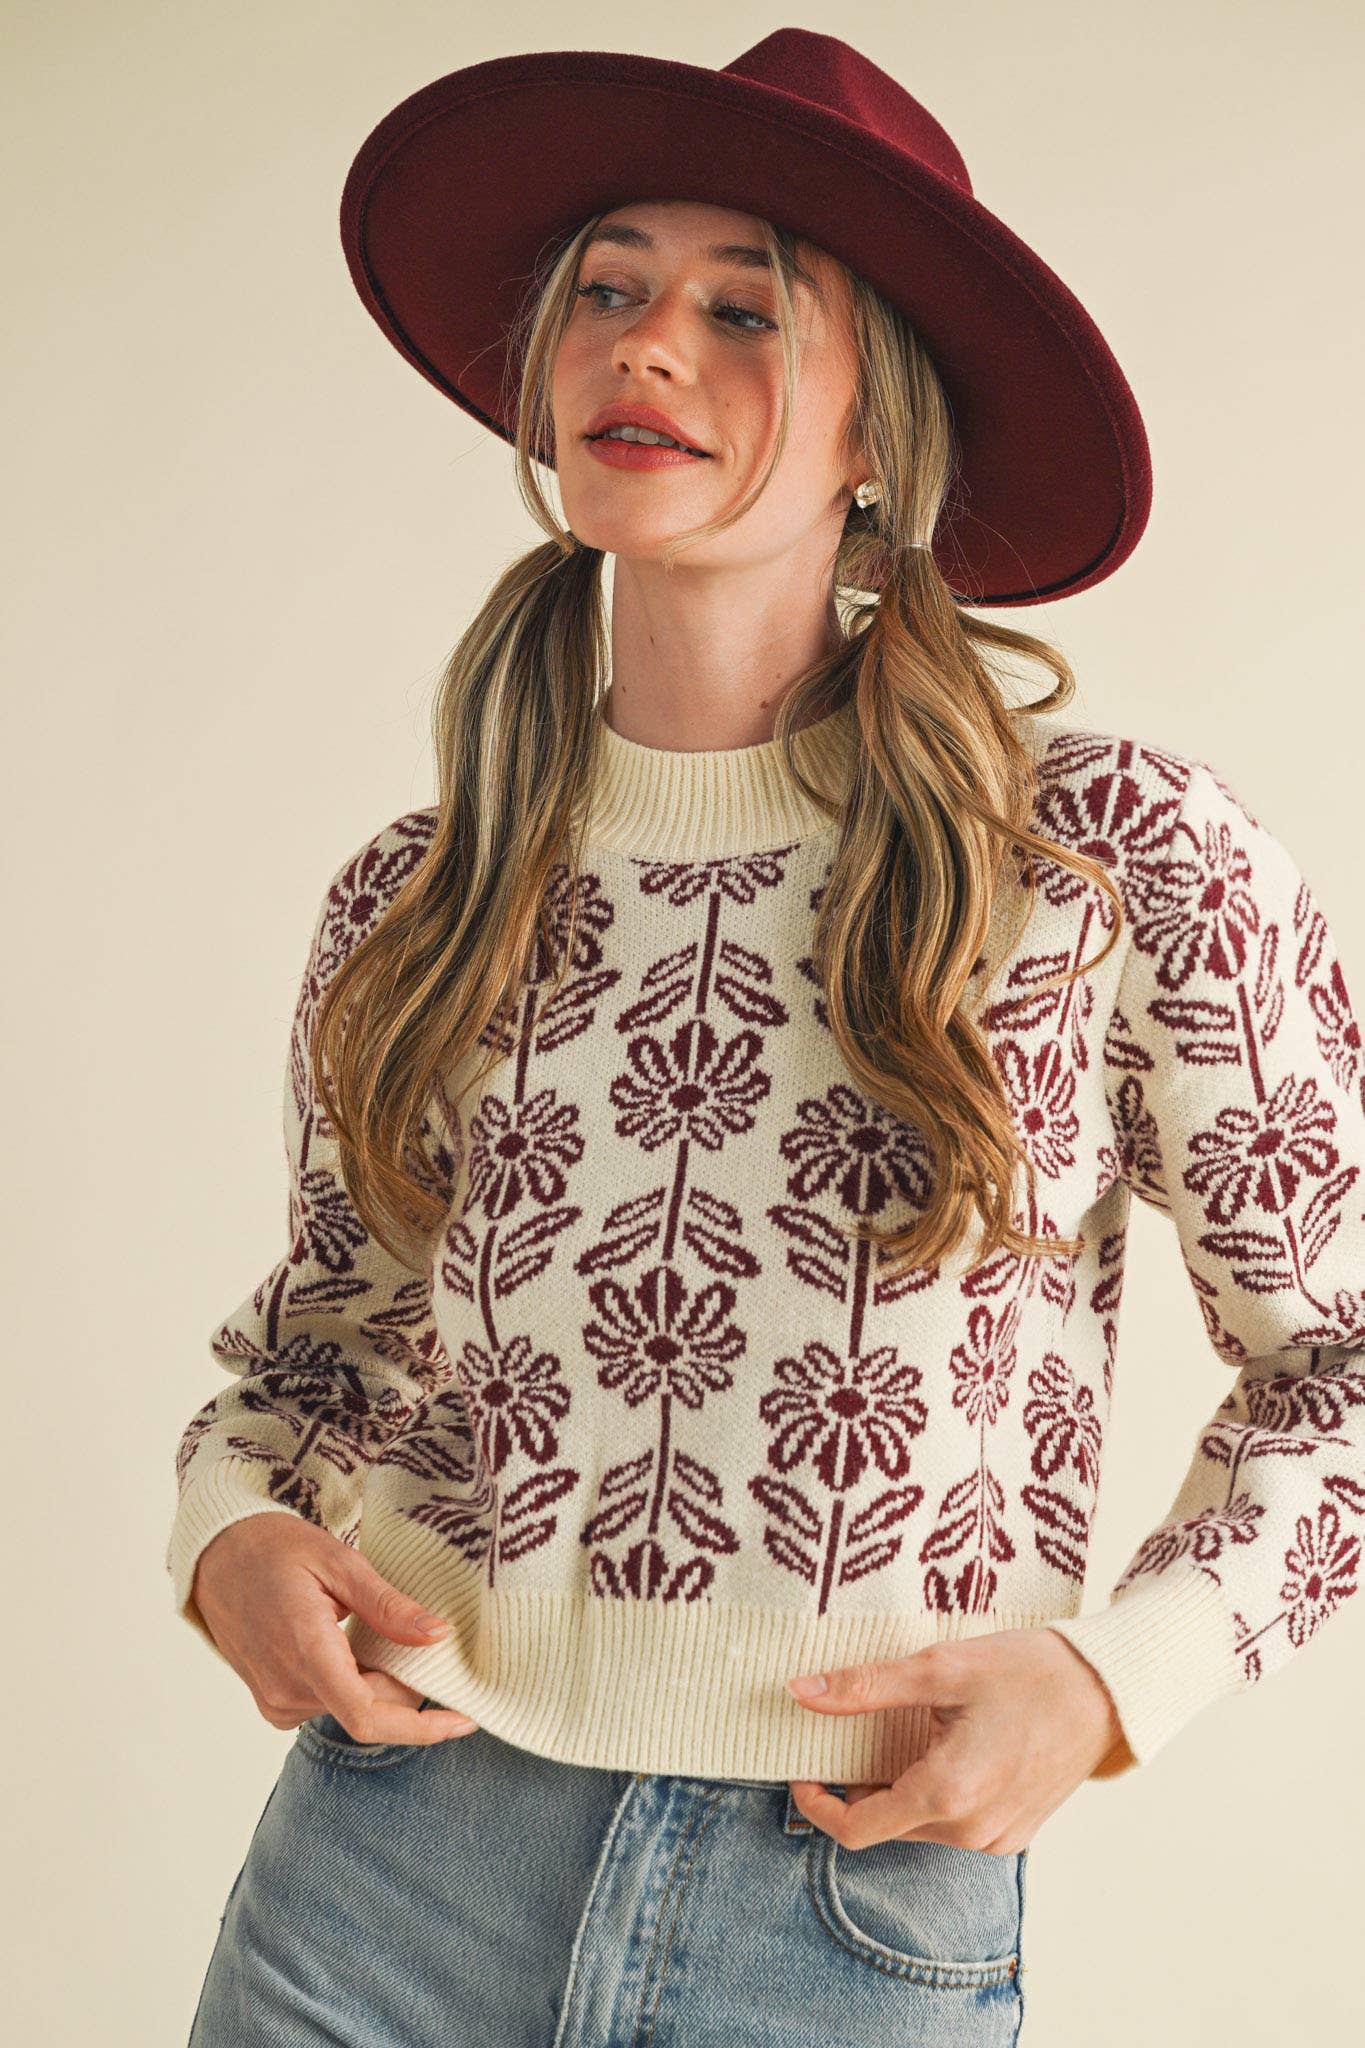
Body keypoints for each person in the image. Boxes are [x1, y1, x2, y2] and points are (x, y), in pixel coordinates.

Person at [169, 29, 1365, 2048]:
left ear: (879, 436)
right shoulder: (418, 894)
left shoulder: (1103, 859)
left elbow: (1341, 1361)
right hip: (383, 1866)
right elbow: (314, 1357)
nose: (646, 345)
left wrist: (1113, 1679)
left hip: (843, 1900)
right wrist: (233, 1536)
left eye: (744, 311)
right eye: (606, 291)